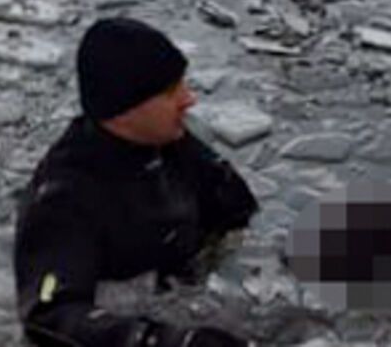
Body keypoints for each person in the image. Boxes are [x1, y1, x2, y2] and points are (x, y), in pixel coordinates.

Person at [14, 18, 258, 347]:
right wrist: (160, 341)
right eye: (171, 91)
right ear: (125, 107)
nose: (189, 99)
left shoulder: (172, 143)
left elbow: (236, 208)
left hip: (187, 295)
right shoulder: (65, 198)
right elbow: (49, 317)